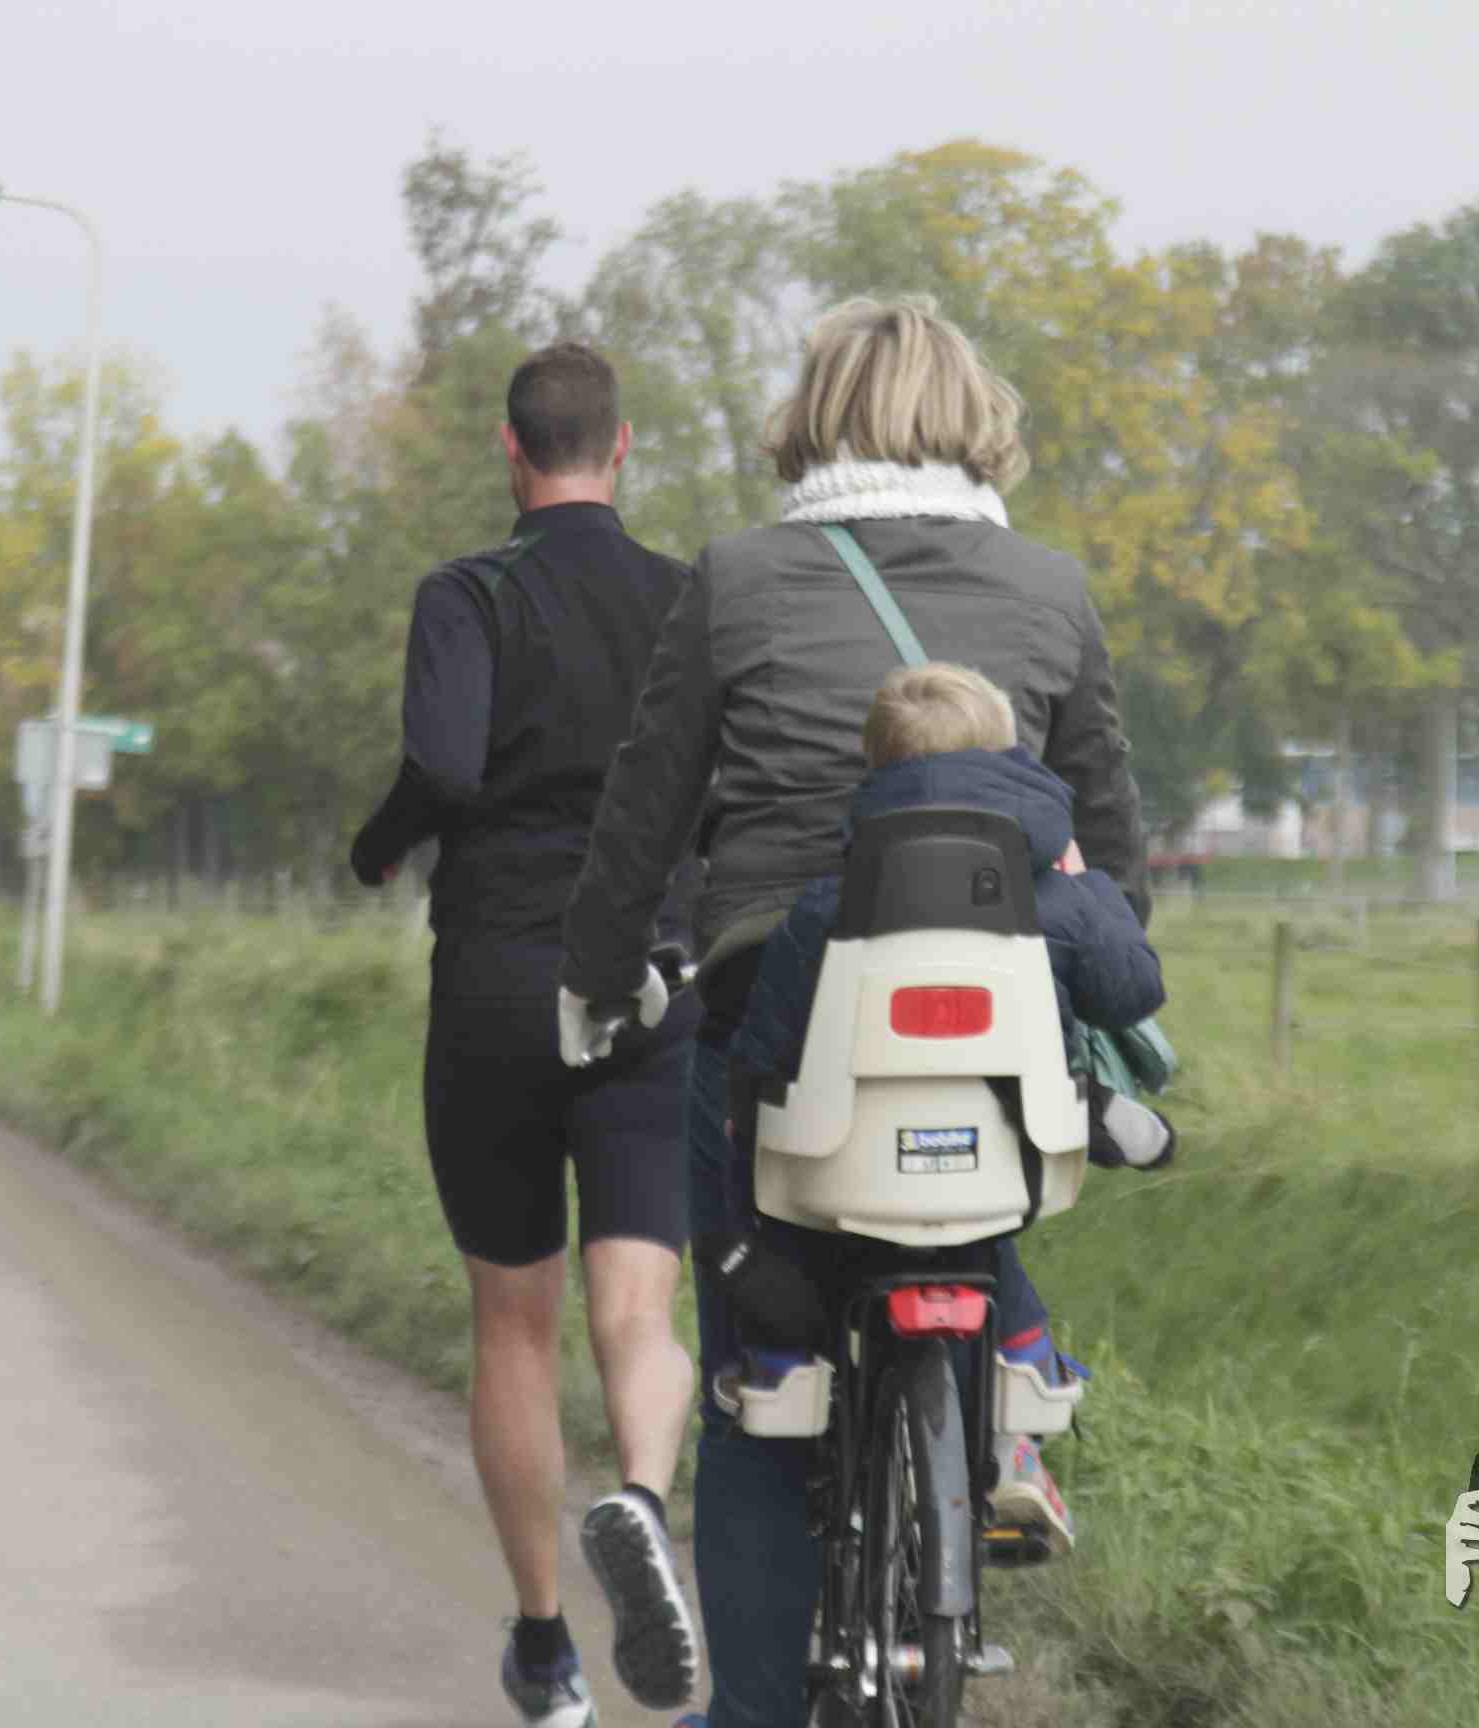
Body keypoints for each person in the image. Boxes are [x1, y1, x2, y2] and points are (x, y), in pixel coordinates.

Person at [557, 296, 1149, 1728]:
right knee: (984, 1213)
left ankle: (756, 1709)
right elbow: (1115, 841)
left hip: (786, 1017)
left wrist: (599, 977)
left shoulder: (740, 580)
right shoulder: (1051, 589)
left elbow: (644, 815)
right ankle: (1002, 1411)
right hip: (995, 1030)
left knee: (760, 1390)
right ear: (976, 420)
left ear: (812, 419)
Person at [351, 341, 701, 1727]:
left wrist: (377, 846)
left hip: (501, 982)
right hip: (646, 981)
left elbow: (442, 768)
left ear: (510, 452)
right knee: (639, 1308)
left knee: (513, 1323)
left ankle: (549, 1653)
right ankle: (643, 1499)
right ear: (622, 448)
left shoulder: (468, 594)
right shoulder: (687, 599)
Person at [721, 661, 1177, 1526]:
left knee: (792, 1217)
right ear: (1008, 762)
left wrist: (744, 1128)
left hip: (853, 1166)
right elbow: (1133, 994)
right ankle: (1024, 1388)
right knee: (985, 1234)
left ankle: (783, 1357)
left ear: (876, 774)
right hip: (1006, 1155)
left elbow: (765, 1053)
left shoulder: (823, 909)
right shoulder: (1059, 897)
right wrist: (1092, 889)